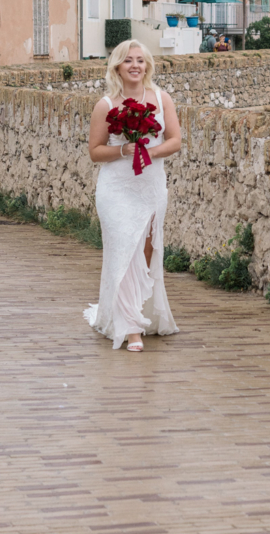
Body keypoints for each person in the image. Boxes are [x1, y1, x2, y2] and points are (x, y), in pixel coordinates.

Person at [85, 40, 181, 352]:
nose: (135, 66)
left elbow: (175, 140)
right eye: (128, 61)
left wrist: (148, 151)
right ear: (117, 67)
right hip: (116, 188)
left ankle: (137, 311)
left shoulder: (160, 97)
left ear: (147, 66)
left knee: (148, 250)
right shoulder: (106, 105)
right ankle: (130, 329)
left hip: (150, 185)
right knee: (124, 248)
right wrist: (125, 148)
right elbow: (96, 152)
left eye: (140, 60)